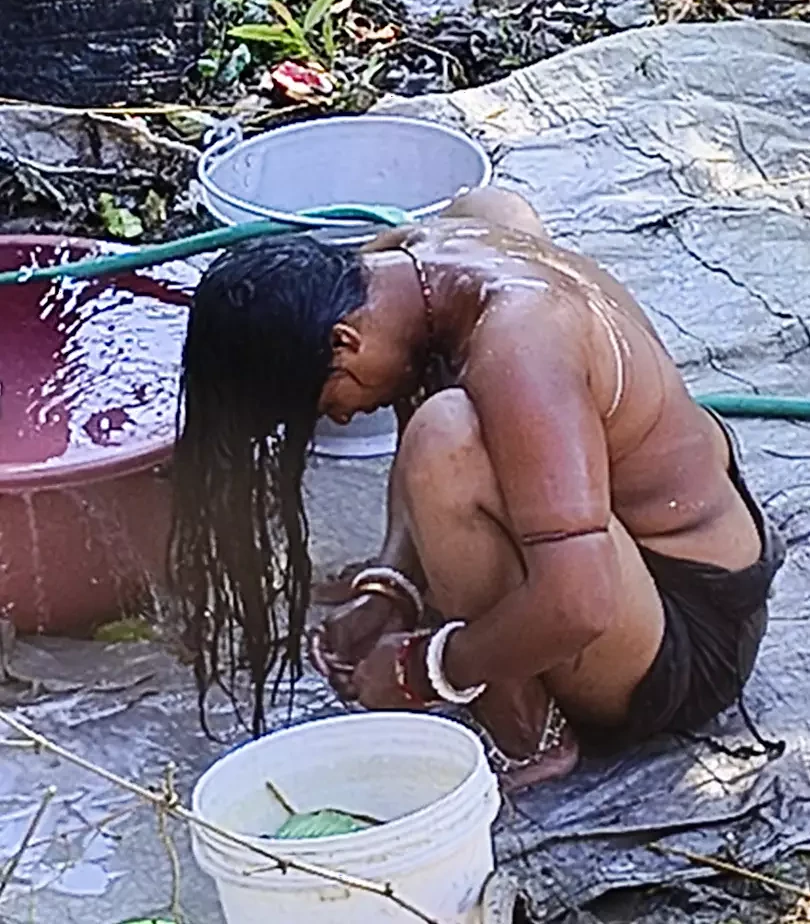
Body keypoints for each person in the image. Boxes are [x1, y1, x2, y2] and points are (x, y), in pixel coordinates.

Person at [170, 185, 784, 785]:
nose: (342, 418)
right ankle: (482, 629)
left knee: (448, 441)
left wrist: (422, 668)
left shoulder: (523, 343)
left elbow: (581, 602)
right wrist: (391, 587)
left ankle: (528, 734)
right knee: (489, 214)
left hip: (688, 641)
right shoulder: (408, 267)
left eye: (327, 403)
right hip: (629, 565)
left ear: (343, 341)